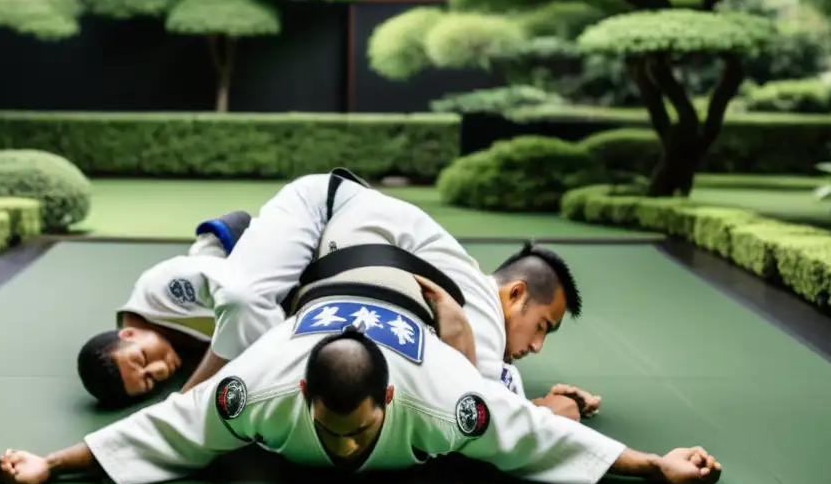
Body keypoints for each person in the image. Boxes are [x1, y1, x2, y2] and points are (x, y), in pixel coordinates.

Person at [0, 286, 721, 484]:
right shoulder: (259, 387)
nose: (343, 449)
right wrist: (49, 464)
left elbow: (538, 436)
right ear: (304, 393)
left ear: (391, 403)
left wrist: (655, 463)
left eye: (359, 432)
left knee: (513, 397)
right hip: (316, 301)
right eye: (331, 428)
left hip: (410, 301)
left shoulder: (444, 399)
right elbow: (166, 425)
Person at [176, 170, 601, 420]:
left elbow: (496, 394)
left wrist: (541, 402)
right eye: (543, 325)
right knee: (242, 299)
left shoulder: (473, 294)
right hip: (320, 208)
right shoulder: (482, 309)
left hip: (329, 264)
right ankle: (183, 402)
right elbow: (493, 414)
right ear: (515, 294)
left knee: (277, 329)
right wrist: (550, 410)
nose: (538, 345)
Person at [75, 211, 252, 406]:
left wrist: (187, 396)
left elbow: (242, 297)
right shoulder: (178, 352)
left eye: (142, 359)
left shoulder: (160, 290)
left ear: (129, 334)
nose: (159, 370)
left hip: (243, 242)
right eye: (148, 380)